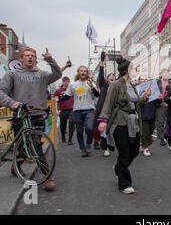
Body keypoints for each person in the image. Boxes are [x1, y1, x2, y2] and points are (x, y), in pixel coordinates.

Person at [0, 47, 62, 191]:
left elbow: (58, 73)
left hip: (37, 114)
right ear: (21, 58)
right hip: (21, 114)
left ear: (35, 59)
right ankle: (21, 167)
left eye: (32, 56)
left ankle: (46, 175)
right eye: (26, 56)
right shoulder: (12, 74)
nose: (30, 58)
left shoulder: (41, 75)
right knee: (21, 144)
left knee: (36, 145)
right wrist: (12, 103)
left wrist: (50, 59)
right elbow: (2, 91)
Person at [98, 57, 151, 194]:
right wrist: (103, 120)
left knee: (134, 151)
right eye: (134, 68)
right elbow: (108, 103)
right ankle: (124, 183)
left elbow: (137, 104)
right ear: (127, 71)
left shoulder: (133, 85)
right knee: (125, 152)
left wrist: (145, 97)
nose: (136, 70)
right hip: (119, 122)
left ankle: (118, 169)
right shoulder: (115, 85)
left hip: (133, 122)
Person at [60, 66, 100, 157]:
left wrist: (92, 87)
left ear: (87, 73)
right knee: (79, 131)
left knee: (90, 128)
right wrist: (59, 100)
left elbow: (97, 95)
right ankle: (83, 149)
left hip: (89, 109)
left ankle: (89, 143)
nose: (83, 72)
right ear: (78, 72)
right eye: (81, 71)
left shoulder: (90, 83)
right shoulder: (72, 84)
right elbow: (67, 96)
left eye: (85, 71)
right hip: (77, 111)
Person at [93, 51, 116, 156]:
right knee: (104, 131)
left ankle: (113, 145)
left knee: (113, 130)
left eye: (114, 76)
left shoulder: (117, 87)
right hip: (104, 111)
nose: (112, 77)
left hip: (114, 112)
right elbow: (101, 74)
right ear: (107, 79)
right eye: (110, 76)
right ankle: (105, 148)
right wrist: (102, 61)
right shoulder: (104, 85)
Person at [139, 75, 161, 157]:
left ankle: (142, 143)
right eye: (142, 79)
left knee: (151, 130)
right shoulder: (137, 90)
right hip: (143, 114)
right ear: (139, 81)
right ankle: (146, 147)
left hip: (152, 113)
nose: (144, 81)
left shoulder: (152, 88)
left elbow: (157, 101)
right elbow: (138, 103)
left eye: (145, 79)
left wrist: (159, 98)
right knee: (145, 131)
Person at [54, 76, 75, 145]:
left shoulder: (72, 90)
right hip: (63, 110)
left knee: (71, 123)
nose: (66, 83)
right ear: (63, 82)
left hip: (71, 109)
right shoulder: (58, 91)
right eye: (65, 81)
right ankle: (63, 136)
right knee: (63, 125)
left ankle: (70, 139)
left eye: (67, 81)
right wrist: (56, 110)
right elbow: (56, 101)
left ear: (69, 82)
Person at [156, 69, 171, 146]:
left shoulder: (170, 83)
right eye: (164, 73)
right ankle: (162, 138)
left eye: (167, 73)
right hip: (160, 105)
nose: (166, 74)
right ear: (161, 74)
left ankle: (166, 135)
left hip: (169, 105)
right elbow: (154, 92)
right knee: (160, 122)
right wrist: (157, 96)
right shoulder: (157, 82)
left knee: (169, 122)